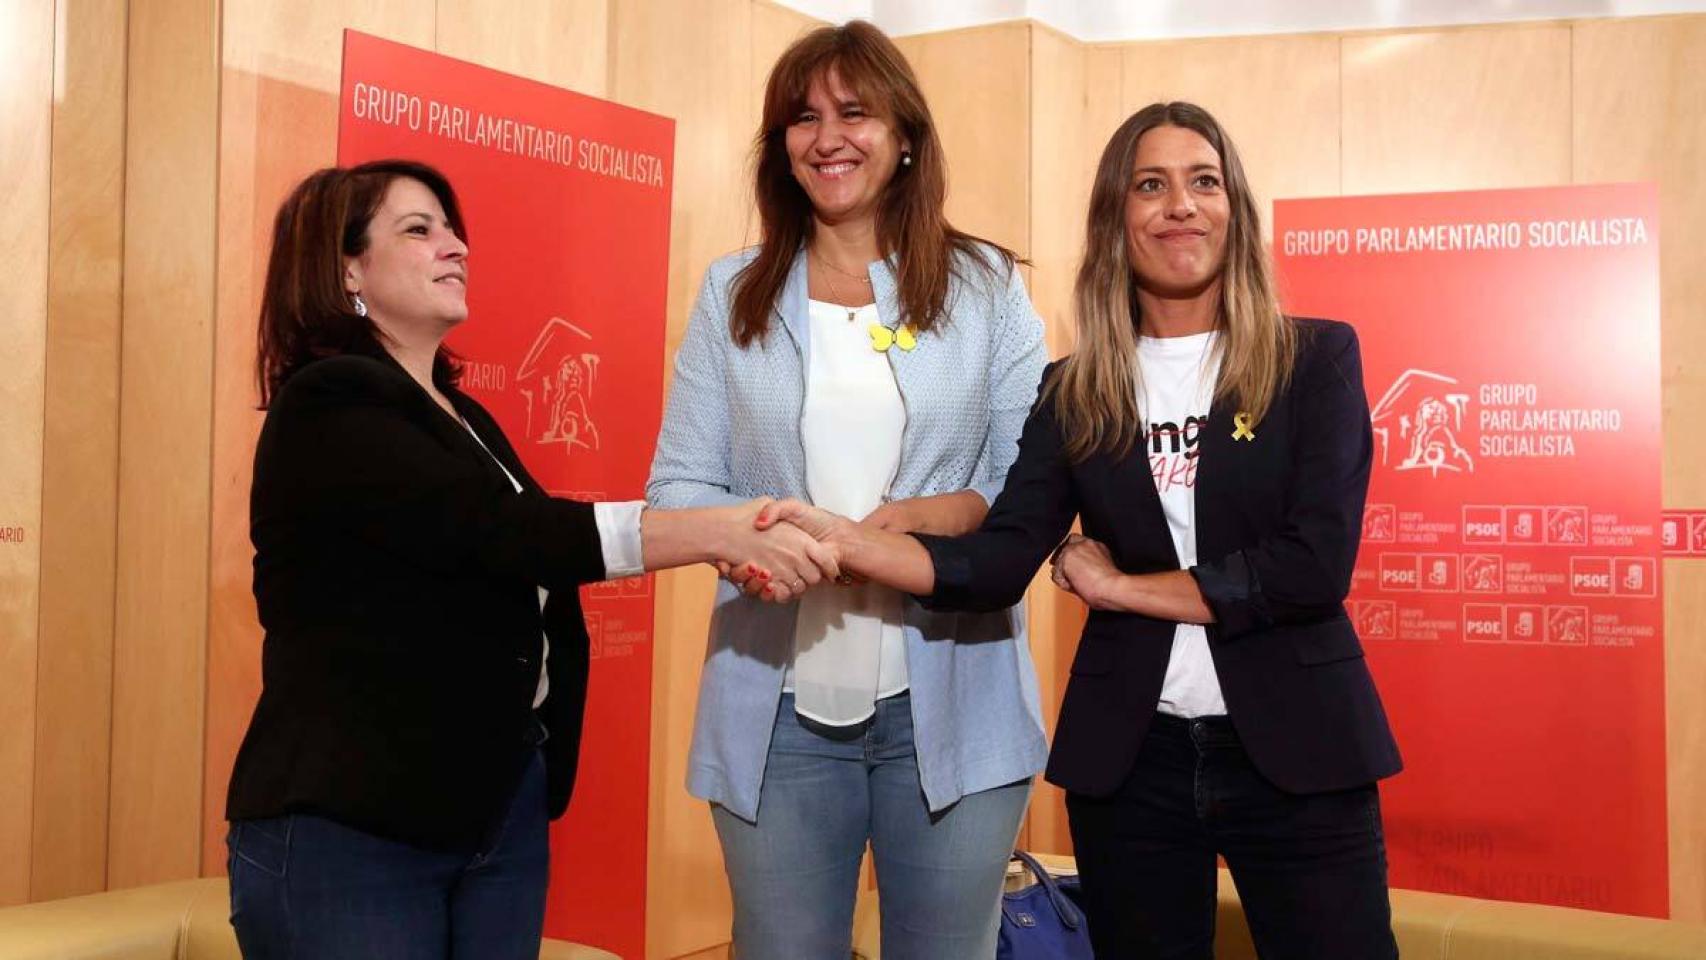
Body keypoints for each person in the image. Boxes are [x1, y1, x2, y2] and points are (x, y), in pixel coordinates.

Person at [757, 102, 1403, 959]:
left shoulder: (1314, 361)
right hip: (1132, 765)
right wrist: (851, 544)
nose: (1181, 205)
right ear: (1116, 219)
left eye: (1203, 182)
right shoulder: (1075, 389)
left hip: (1301, 753)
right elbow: (1000, 559)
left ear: (1234, 211)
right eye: (1151, 185)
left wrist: (1120, 588)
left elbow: (1311, 568)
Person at [224, 160, 832, 960]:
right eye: (419, 229)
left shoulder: (461, 413)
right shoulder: (329, 401)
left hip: (492, 812)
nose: (456, 246)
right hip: (356, 829)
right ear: (346, 270)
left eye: (451, 226)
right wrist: (720, 532)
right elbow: (516, 533)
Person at [644, 21, 1049, 960]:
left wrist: (898, 533)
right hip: (775, 713)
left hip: (957, 705)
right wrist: (756, 542)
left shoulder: (985, 288)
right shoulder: (731, 292)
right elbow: (679, 485)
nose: (826, 136)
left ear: (905, 134)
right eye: (803, 117)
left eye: (854, 112)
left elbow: (1023, 479)